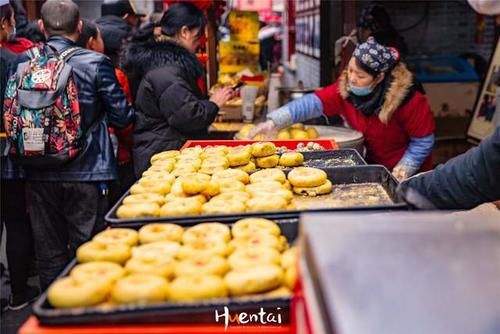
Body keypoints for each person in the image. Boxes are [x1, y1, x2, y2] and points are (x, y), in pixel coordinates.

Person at [5, 0, 133, 290]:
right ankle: (89, 310)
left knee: (49, 253)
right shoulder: (96, 63)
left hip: (38, 170)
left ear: (41, 26)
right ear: (79, 26)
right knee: (89, 249)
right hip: (88, 172)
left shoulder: (22, 62)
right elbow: (122, 116)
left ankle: (53, 314)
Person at [250, 37, 435, 180]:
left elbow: (422, 141)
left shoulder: (409, 100)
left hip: (410, 174)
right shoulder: (346, 91)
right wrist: (274, 121)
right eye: (350, 70)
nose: (352, 78)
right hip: (375, 166)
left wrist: (403, 172)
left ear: (379, 78)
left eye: (360, 76)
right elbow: (312, 103)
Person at [122, 2, 233, 177]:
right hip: (162, 158)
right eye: (197, 38)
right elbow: (187, 116)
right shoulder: (165, 70)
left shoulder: (163, 63)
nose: (198, 45)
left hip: (163, 150)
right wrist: (213, 103)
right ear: (184, 32)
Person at [0, 0, 39, 311]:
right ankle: (19, 294)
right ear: (4, 23)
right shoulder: (11, 60)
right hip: (6, 152)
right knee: (16, 220)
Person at [76, 19, 135, 205]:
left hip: (65, 160)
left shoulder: (56, 66)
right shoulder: (111, 73)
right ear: (92, 42)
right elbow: (122, 119)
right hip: (105, 157)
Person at [95, 0, 138, 66]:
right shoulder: (131, 34)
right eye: (134, 16)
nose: (136, 19)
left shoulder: (89, 30)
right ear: (126, 16)